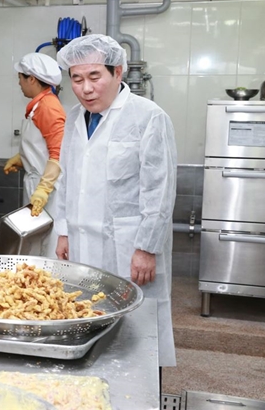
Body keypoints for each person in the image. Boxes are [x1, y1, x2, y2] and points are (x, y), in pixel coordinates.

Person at [53, 34, 177, 369]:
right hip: (83, 238)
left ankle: (142, 387)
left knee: (136, 323)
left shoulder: (147, 117)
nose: (86, 88)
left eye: (95, 77)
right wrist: (64, 231)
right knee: (88, 314)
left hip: (129, 244)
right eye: (77, 79)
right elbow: (66, 178)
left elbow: (159, 188)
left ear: (117, 72)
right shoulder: (75, 118)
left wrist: (147, 247)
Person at [4, 52, 66, 257]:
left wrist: (44, 188)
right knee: (36, 244)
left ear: (31, 79)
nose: (19, 83)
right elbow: (43, 146)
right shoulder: (37, 106)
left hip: (48, 192)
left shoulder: (48, 107)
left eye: (20, 78)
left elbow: (59, 152)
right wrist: (23, 159)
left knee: (47, 247)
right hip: (37, 184)